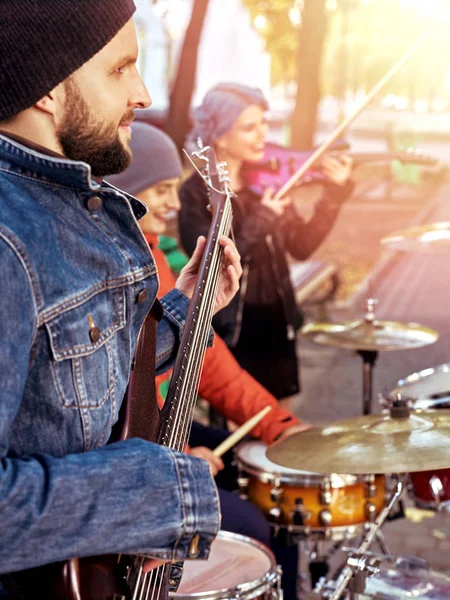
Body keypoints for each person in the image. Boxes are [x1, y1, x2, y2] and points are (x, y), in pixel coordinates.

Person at [0, 2, 242, 593]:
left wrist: (187, 311)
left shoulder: (68, 202)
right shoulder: (8, 242)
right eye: (120, 69)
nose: (142, 92)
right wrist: (154, 496)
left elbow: (68, 377)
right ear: (49, 91)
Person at [108, 121, 312, 599]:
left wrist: (276, 424)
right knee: (253, 524)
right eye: (160, 190)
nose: (175, 204)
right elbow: (115, 403)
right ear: (125, 191)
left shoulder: (152, 253)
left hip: (158, 429)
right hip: (139, 442)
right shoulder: (119, 267)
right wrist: (173, 461)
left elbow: (203, 360)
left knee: (274, 480)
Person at [179, 83, 354, 409]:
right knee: (242, 428)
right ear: (219, 136)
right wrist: (261, 218)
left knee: (278, 426)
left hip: (276, 322)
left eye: (264, 123)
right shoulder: (198, 193)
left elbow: (301, 247)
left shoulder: (266, 185)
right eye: (249, 127)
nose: (263, 135)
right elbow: (214, 266)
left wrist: (332, 196)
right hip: (234, 332)